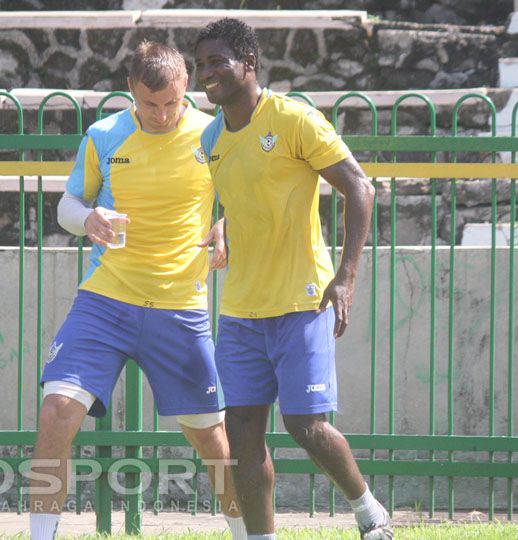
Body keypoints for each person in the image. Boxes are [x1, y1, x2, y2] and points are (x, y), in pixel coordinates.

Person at [28, 41, 245, 540]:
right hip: (105, 301)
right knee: (55, 413)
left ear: (186, 88)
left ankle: (246, 534)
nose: (163, 114)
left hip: (179, 306)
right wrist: (89, 217)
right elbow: (67, 205)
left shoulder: (214, 134)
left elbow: (244, 196)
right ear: (131, 92)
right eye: (151, 104)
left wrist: (227, 226)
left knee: (214, 440)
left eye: (172, 103)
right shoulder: (103, 135)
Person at [194, 18, 392, 540]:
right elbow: (241, 200)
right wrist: (222, 226)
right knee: (241, 434)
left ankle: (369, 512)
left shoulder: (294, 119)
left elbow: (361, 189)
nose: (206, 73)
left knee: (305, 426)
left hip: (303, 303)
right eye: (201, 65)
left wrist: (346, 278)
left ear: (249, 65)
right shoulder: (212, 137)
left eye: (217, 62)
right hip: (239, 311)